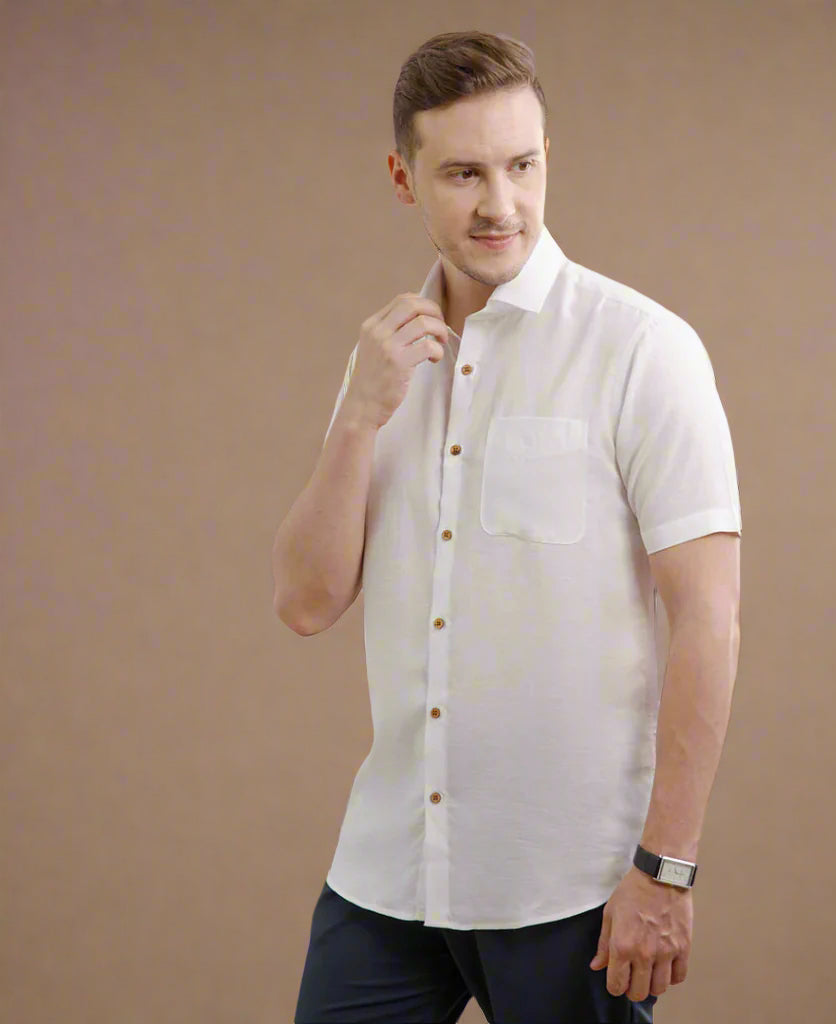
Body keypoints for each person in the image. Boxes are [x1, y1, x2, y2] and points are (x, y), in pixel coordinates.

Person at [272, 29, 742, 1024]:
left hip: (568, 882)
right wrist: (359, 415)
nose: (501, 204)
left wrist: (665, 868)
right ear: (403, 178)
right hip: (394, 865)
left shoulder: (640, 349)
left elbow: (707, 619)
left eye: (522, 166)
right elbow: (305, 601)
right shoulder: (383, 363)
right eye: (464, 174)